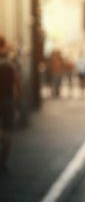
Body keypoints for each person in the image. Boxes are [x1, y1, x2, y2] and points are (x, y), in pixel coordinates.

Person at [0, 34, 20, 174]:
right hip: (7, 100)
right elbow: (17, 83)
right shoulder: (10, 61)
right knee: (7, 132)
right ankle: (3, 163)